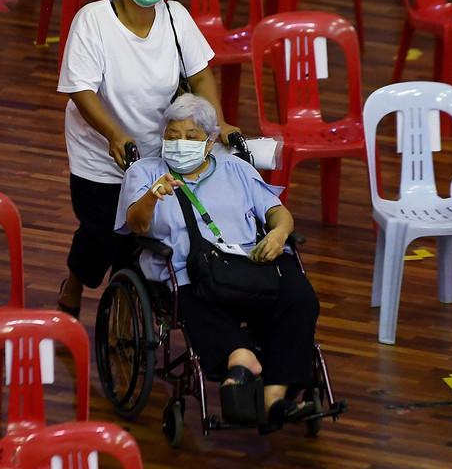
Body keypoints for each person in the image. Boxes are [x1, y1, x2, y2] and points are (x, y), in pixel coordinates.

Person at [56, 0, 239, 319]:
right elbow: (81, 90)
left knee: (138, 238)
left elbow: (202, 76)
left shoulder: (175, 17)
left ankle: (122, 315)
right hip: (100, 152)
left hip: (156, 151)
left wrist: (216, 121)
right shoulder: (93, 21)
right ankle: (74, 284)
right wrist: (113, 135)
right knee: (101, 235)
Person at [115, 94, 320, 433]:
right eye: (173, 135)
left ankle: (275, 395)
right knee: (197, 299)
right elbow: (136, 225)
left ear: (210, 142)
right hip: (188, 270)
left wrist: (280, 233)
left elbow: (275, 211)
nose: (180, 144)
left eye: (192, 137)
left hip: (248, 263)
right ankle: (240, 356)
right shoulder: (144, 172)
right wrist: (153, 195)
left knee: (299, 297)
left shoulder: (236, 168)